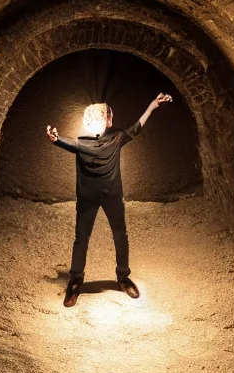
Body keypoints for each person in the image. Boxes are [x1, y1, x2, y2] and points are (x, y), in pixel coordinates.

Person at [46, 92, 173, 307]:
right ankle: (76, 280)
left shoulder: (115, 138)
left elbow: (136, 128)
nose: (110, 118)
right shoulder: (81, 143)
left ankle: (123, 277)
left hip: (113, 196)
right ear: (101, 118)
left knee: (120, 236)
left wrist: (152, 105)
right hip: (87, 199)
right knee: (81, 238)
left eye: (109, 115)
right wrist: (55, 139)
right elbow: (63, 142)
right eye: (108, 115)